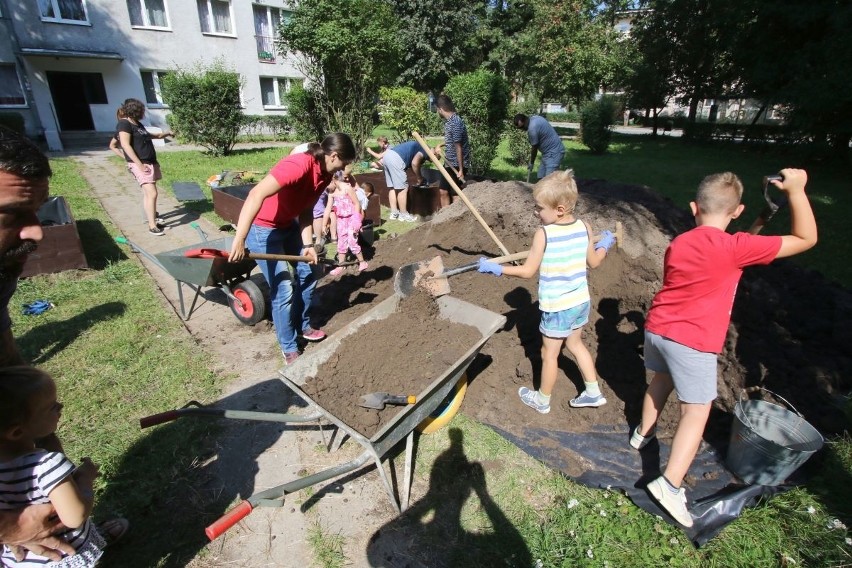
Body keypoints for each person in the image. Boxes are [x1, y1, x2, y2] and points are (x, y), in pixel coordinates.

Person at [630, 169, 817, 528]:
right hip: (693, 341)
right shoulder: (736, 248)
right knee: (696, 412)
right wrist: (797, 191)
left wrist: (759, 223)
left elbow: (726, 252)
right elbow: (805, 238)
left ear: (693, 208)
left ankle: (643, 433)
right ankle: (669, 485)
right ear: (737, 211)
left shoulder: (680, 242)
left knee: (661, 380)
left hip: (658, 330)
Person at [477, 170, 616, 413]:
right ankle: (593, 393)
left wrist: (497, 269)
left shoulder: (544, 234)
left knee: (548, 354)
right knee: (575, 344)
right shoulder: (585, 227)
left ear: (560, 209)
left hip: (558, 306)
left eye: (540, 208)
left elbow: (529, 270)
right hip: (580, 301)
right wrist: (604, 245)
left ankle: (542, 400)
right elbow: (594, 262)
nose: (536, 211)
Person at [228, 133, 356, 365]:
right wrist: (240, 238)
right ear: (334, 156)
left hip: (288, 225)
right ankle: (288, 345)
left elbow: (306, 210)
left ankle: (302, 325)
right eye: (345, 163)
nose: (345, 168)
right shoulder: (298, 165)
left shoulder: (324, 176)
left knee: (309, 272)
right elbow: (256, 193)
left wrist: (308, 245)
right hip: (262, 229)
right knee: (284, 288)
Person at [0, 366, 129, 567]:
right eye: (52, 407)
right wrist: (85, 480)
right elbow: (75, 516)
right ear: (17, 432)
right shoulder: (47, 466)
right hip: (61, 555)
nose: (60, 407)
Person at [116, 98, 171, 236]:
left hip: (150, 162)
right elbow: (125, 144)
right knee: (152, 193)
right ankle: (152, 226)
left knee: (148, 194)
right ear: (135, 111)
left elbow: (148, 136)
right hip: (141, 164)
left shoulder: (137, 124)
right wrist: (139, 165)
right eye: (141, 110)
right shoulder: (124, 124)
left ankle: (152, 219)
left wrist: (165, 133)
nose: (143, 113)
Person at [322, 172, 368, 276]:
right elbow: (328, 209)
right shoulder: (331, 192)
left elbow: (357, 203)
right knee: (341, 241)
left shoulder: (347, 188)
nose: (325, 187)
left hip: (352, 218)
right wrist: (324, 224)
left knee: (352, 240)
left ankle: (362, 262)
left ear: (333, 179)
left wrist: (357, 220)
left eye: (326, 183)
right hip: (341, 220)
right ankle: (341, 265)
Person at [434, 95, 470, 208]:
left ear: (440, 109)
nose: (437, 112)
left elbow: (458, 146)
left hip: (456, 165)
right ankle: (445, 218)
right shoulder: (449, 122)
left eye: (437, 110)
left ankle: (455, 220)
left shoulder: (455, 122)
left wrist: (461, 169)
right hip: (449, 163)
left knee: (455, 194)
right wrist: (440, 145)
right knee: (443, 191)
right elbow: (453, 141)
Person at [382, 139, 431, 222]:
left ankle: (394, 213)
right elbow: (415, 163)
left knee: (392, 187)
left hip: (387, 156)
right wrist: (419, 178)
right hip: (396, 159)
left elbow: (413, 165)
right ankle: (403, 215)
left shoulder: (418, 146)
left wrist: (418, 176)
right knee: (403, 189)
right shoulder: (426, 150)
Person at [514, 113, 565, 180]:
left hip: (554, 152)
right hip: (547, 153)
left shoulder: (532, 129)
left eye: (522, 127)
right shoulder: (535, 118)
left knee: (549, 181)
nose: (522, 129)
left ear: (525, 120)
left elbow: (534, 147)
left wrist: (531, 163)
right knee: (540, 177)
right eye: (520, 128)